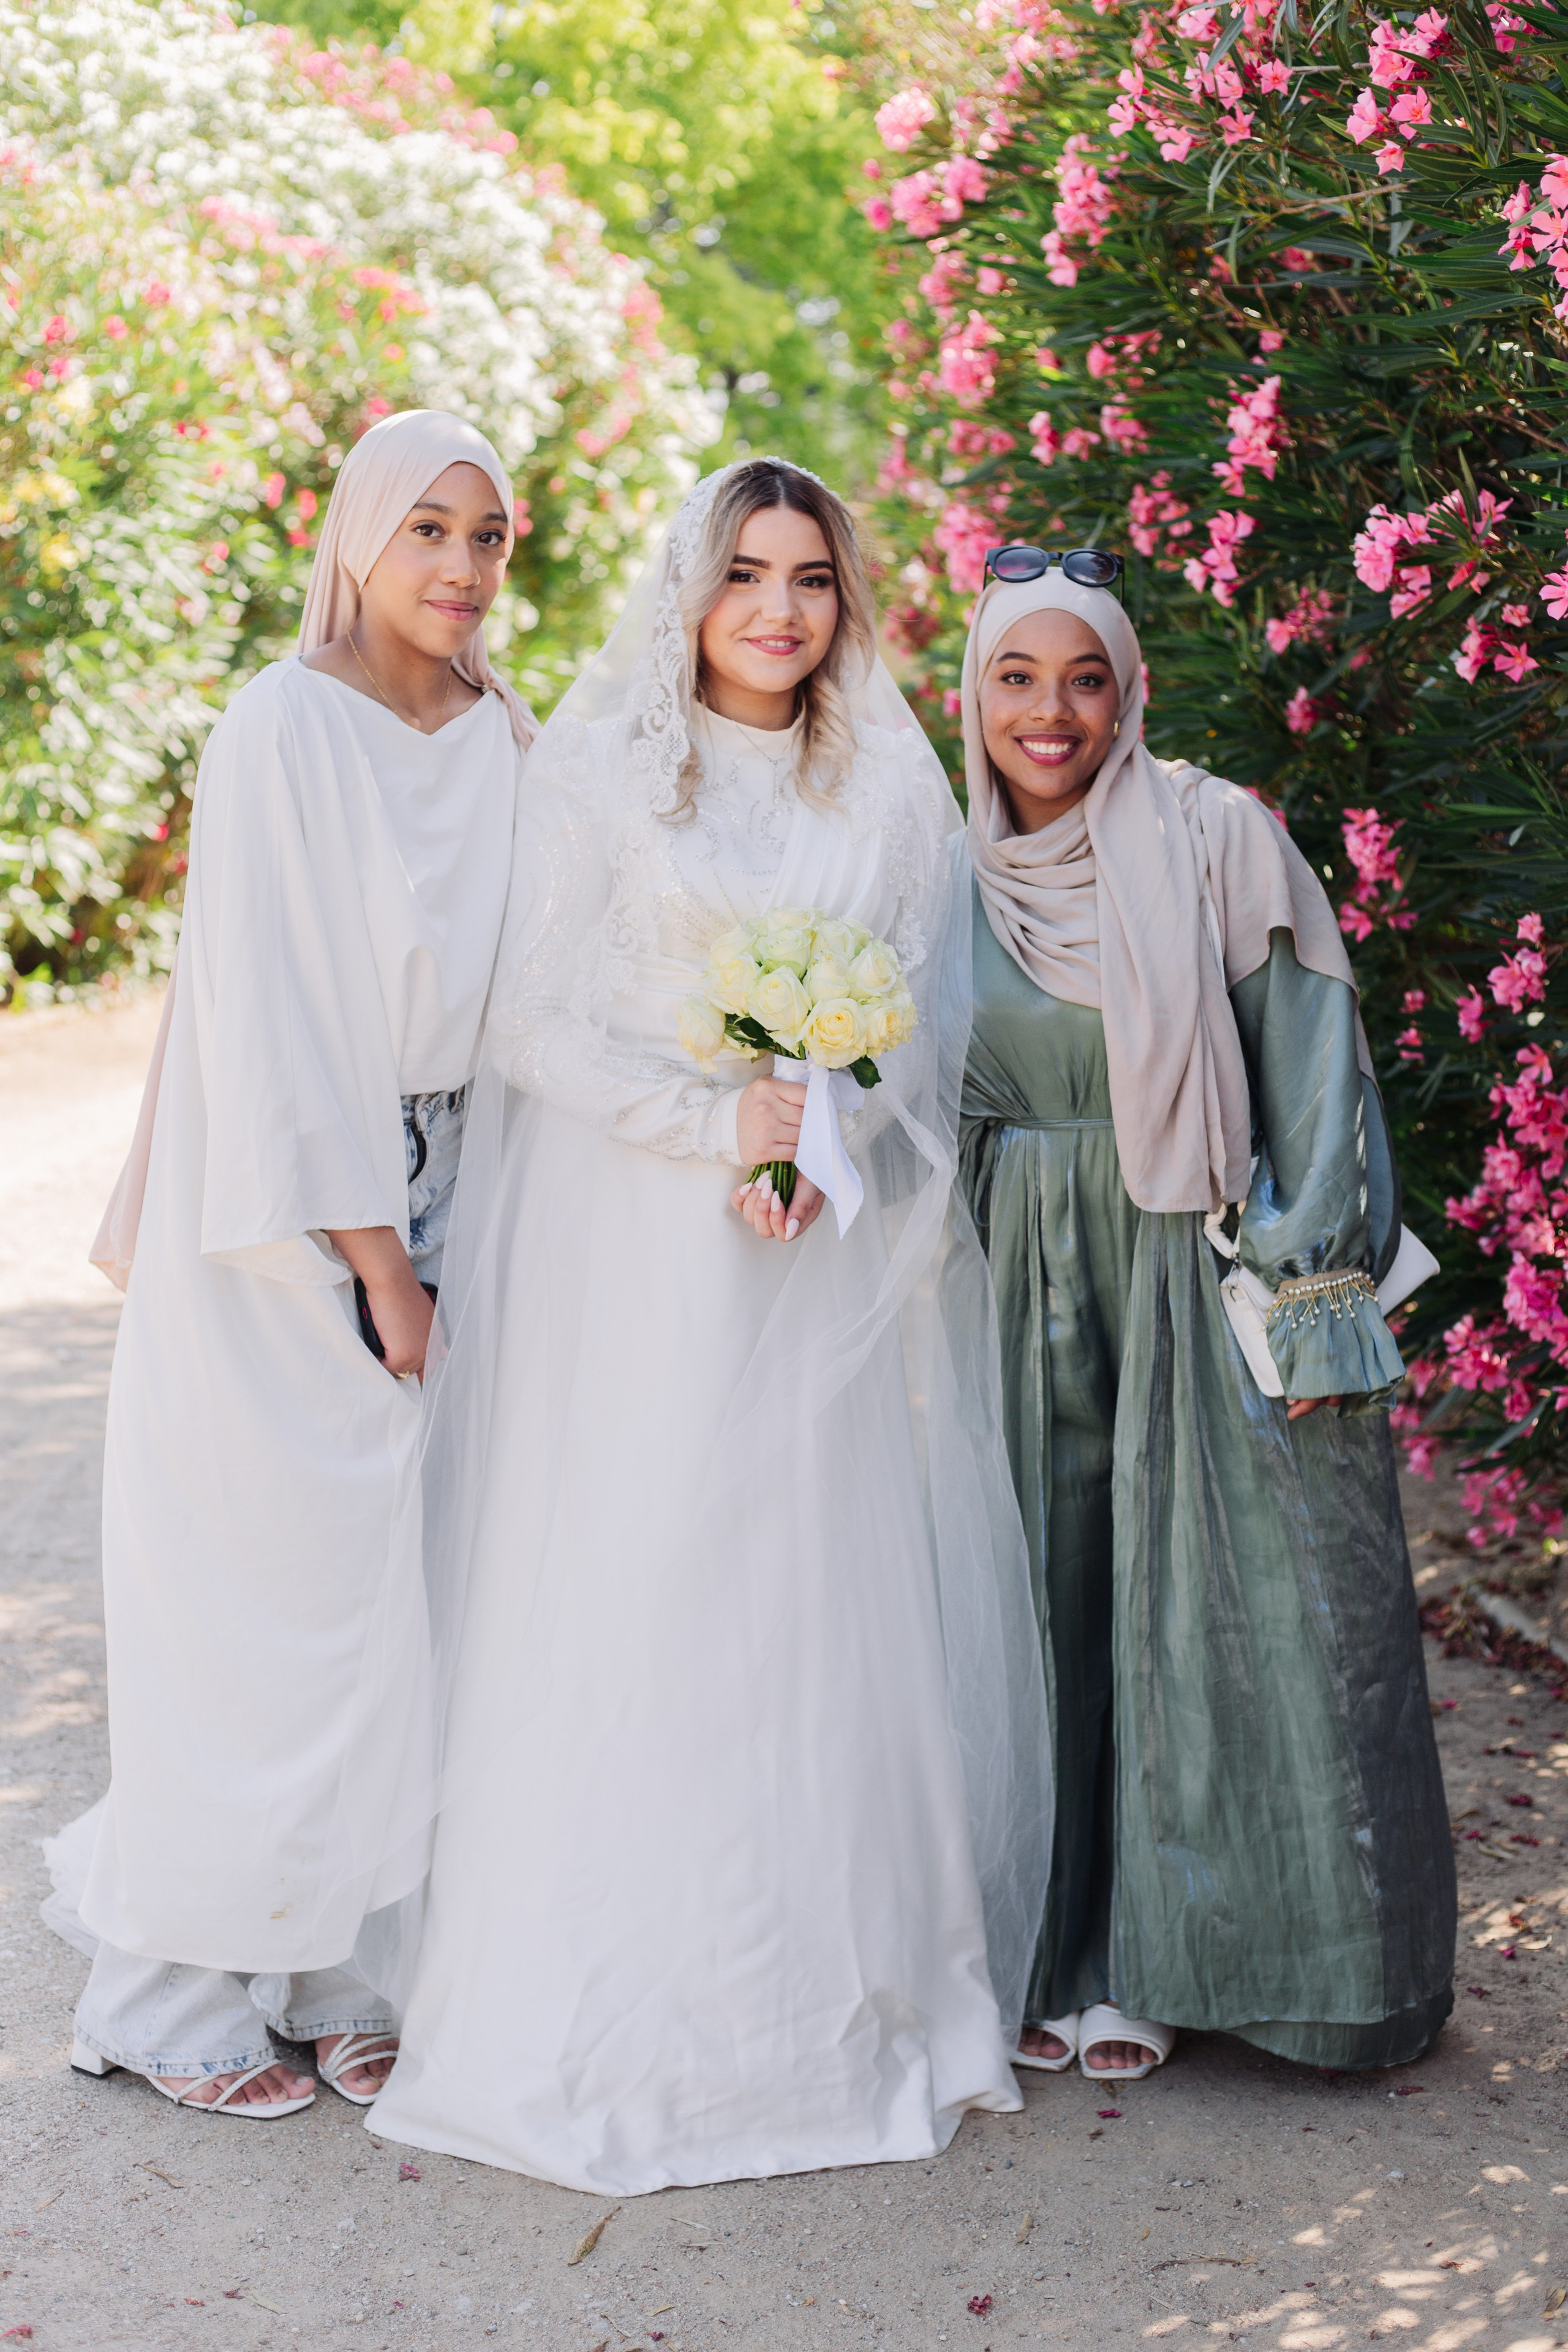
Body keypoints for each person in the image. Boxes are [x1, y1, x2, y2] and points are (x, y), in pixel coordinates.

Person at [368, 457, 1052, 2192]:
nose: (777, 607)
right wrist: (713, 1125)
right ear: (690, 586)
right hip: (631, 1247)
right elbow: (529, 1021)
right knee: (639, 1575)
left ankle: (820, 2007)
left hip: (802, 1250)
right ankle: (601, 2011)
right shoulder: (599, 768)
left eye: (811, 577)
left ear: (845, 600)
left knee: (798, 1584)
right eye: (745, 571)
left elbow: (911, 1026)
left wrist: (825, 1130)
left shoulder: (893, 784)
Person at [41, 409, 535, 2117]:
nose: (463, 570)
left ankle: (340, 1960)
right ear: (355, 538)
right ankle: (171, 1996)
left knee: (403, 1604)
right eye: (431, 532)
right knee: (262, 1597)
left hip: (460, 1175)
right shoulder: (282, 728)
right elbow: (273, 1018)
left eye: (490, 538)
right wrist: (376, 1263)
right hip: (285, 1214)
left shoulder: (503, 731)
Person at [956, 552, 1455, 2082]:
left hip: (1193, 1256)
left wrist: (1312, 1298)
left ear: (1128, 691)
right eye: (1017, 678)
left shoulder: (1213, 835)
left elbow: (1313, 1074)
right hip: (1013, 1263)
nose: (1051, 714)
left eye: (1084, 678)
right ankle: (1057, 1955)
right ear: (969, 694)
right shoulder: (936, 865)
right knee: (1036, 1602)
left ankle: (1188, 1965)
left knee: (1204, 1609)